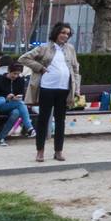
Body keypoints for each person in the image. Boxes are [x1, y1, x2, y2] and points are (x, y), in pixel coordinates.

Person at [18, 22, 82, 163]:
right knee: (43, 120)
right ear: (56, 32)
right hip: (47, 87)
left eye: (67, 33)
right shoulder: (44, 47)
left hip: (64, 89)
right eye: (63, 32)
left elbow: (76, 69)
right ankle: (40, 151)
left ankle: (58, 151)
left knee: (61, 121)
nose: (65, 35)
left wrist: (76, 88)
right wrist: (40, 67)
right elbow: (23, 58)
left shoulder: (70, 49)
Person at [0, 62, 32, 144]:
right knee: (20, 104)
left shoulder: (20, 80)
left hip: (14, 105)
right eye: (14, 73)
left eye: (18, 74)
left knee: (16, 113)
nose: (15, 76)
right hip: (1, 106)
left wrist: (16, 97)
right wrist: (6, 98)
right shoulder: (0, 80)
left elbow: (21, 93)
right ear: (9, 71)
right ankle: (29, 127)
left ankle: (1, 138)